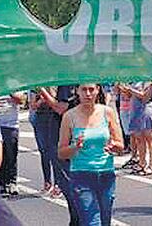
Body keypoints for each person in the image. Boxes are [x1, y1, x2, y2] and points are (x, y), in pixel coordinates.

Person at [57, 83, 125, 226]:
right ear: (77, 91)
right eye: (84, 90)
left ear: (97, 90)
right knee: (92, 222)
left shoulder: (108, 112)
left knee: (104, 222)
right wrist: (75, 147)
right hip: (81, 175)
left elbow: (121, 145)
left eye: (91, 89)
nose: (88, 94)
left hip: (106, 174)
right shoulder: (69, 116)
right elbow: (61, 153)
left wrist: (114, 147)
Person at [30, 86, 74, 199]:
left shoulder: (62, 85)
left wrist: (44, 92)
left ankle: (59, 185)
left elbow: (60, 107)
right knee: (46, 152)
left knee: (58, 156)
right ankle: (49, 182)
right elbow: (33, 105)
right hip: (42, 117)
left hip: (60, 121)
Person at [0, 93, 23, 198]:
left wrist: (11, 92)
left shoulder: (13, 83)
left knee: (11, 154)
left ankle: (12, 182)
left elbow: (21, 100)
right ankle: (1, 183)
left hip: (11, 125)